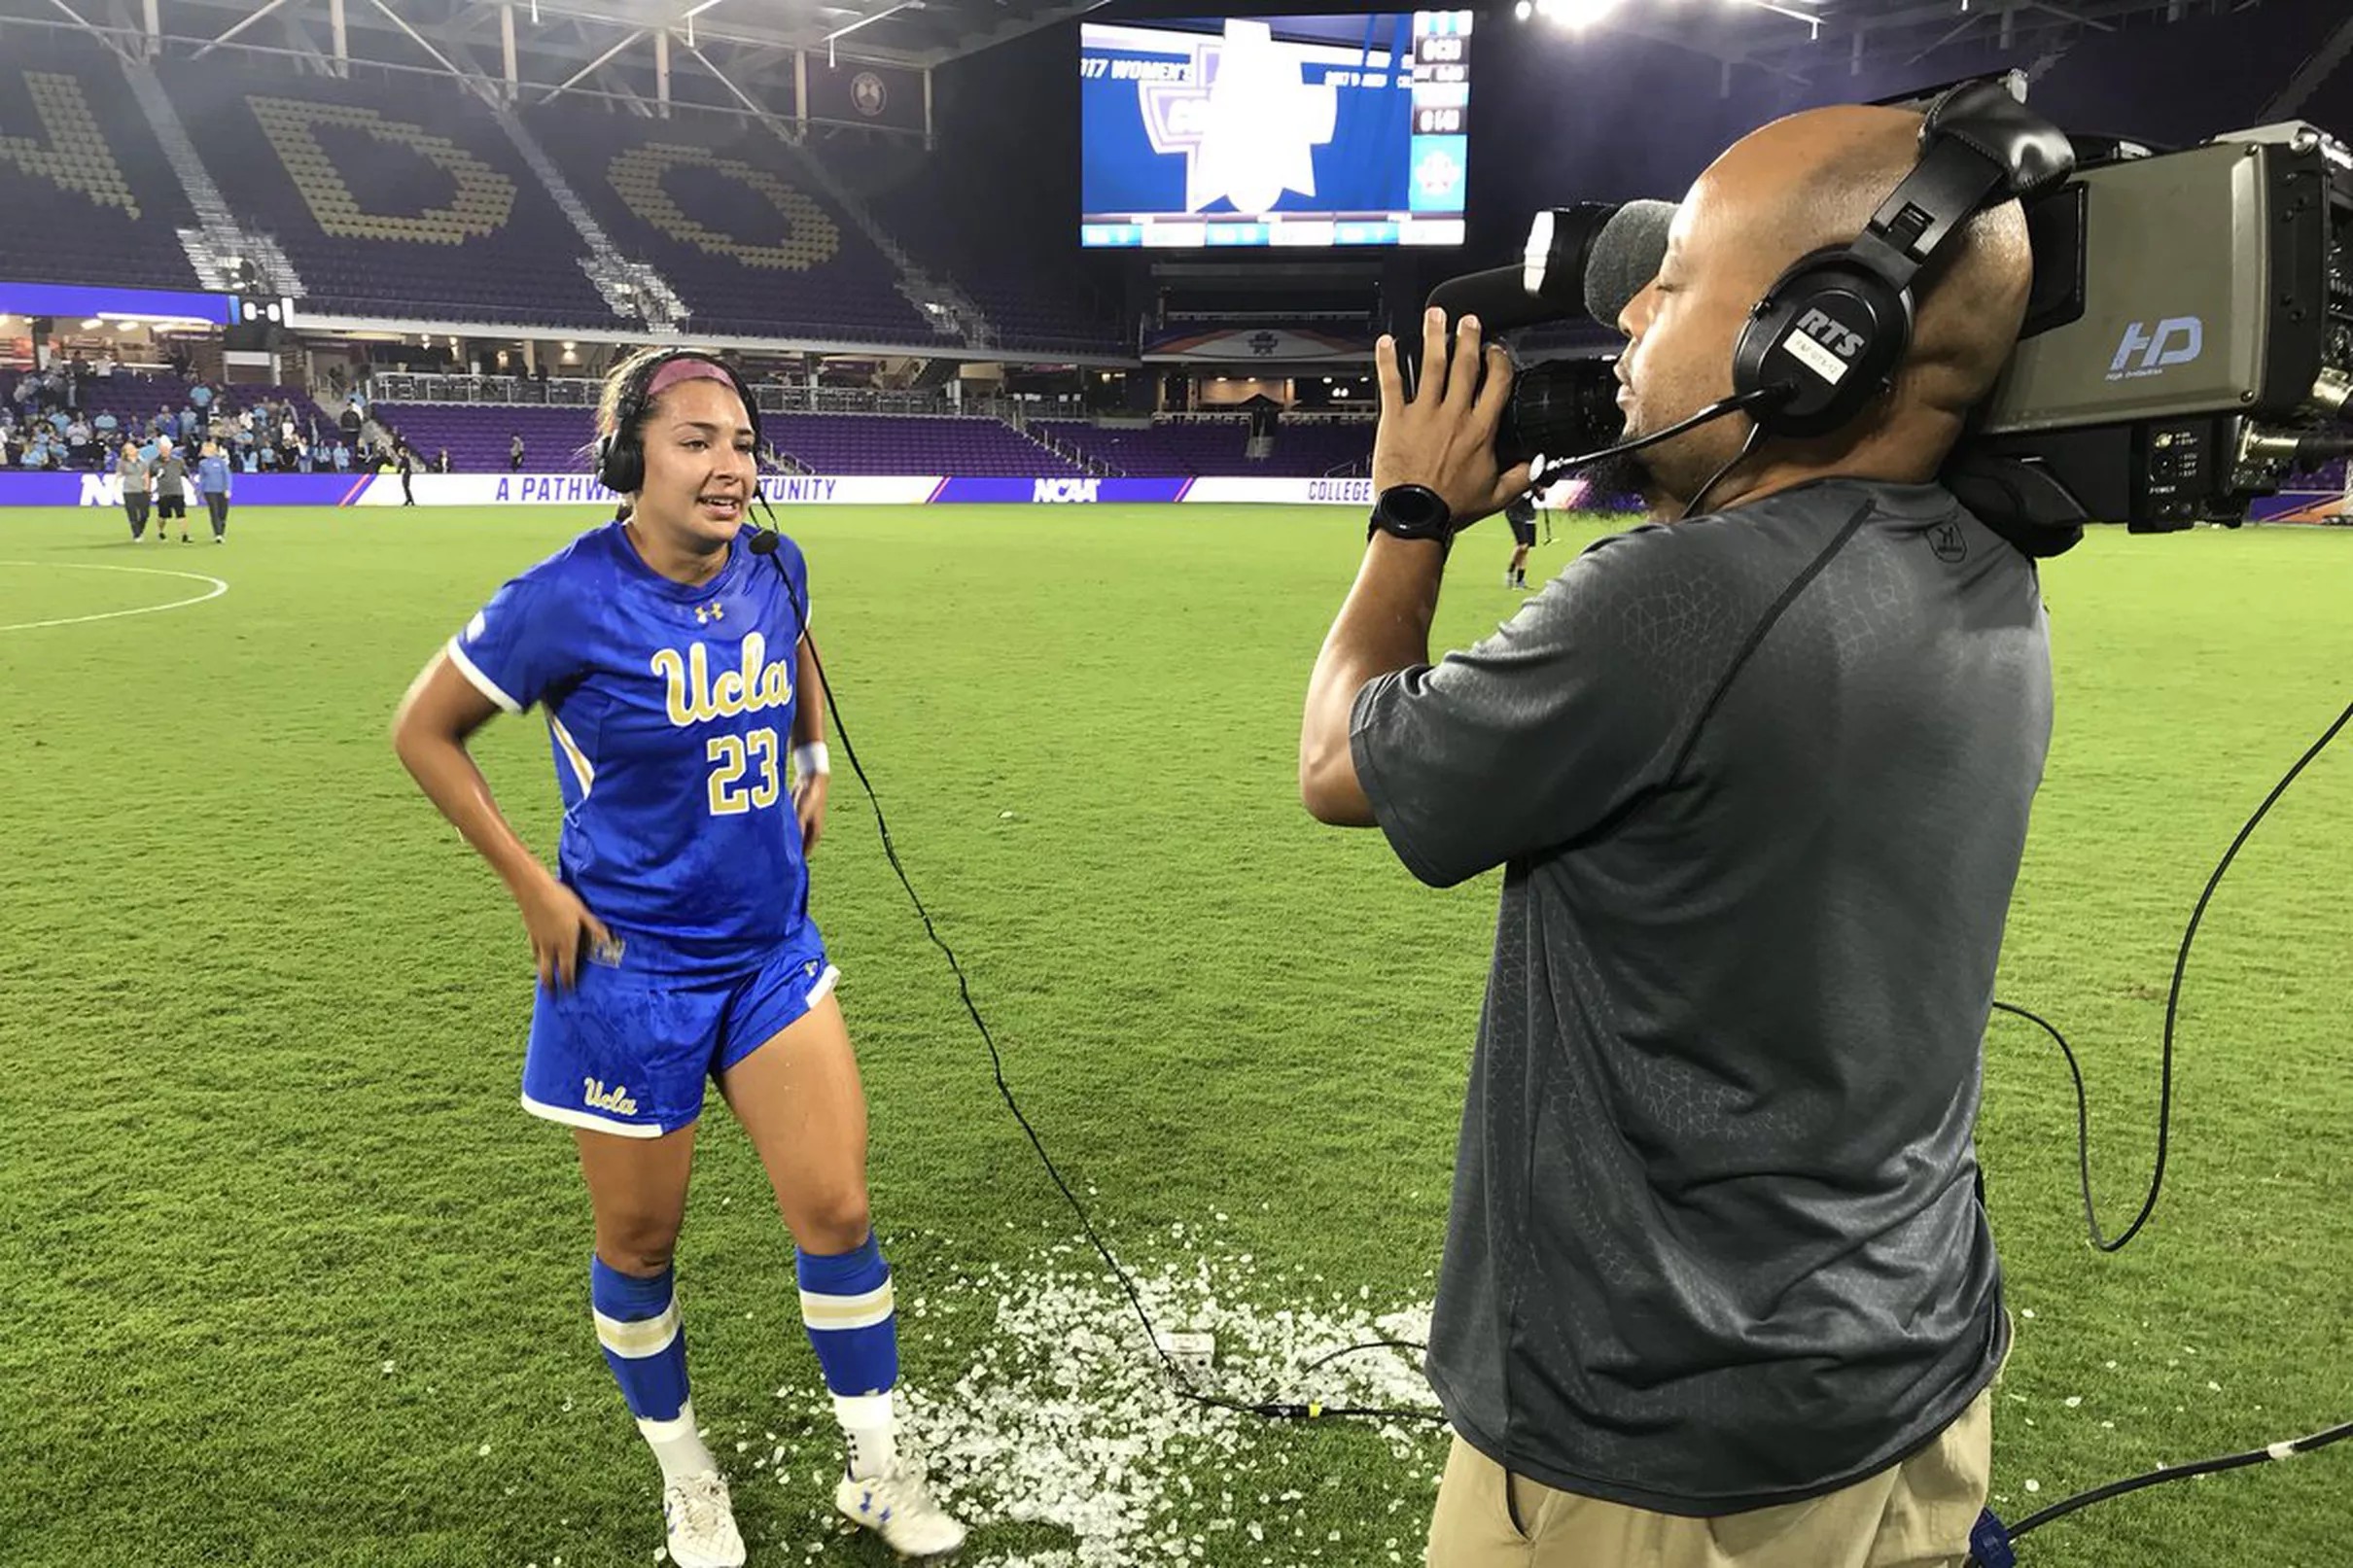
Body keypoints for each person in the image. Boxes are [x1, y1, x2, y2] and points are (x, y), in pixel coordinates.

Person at [1299, 99, 2046, 1568]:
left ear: (1819, 340)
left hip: (1662, 1444)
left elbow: (1340, 758)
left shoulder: (1676, 602)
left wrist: (1408, 516)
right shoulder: (1991, 565)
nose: (1634, 310)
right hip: (1906, 1359)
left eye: (1680, 276)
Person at [388, 349, 966, 1568]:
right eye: (696, 440)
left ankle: (876, 1466)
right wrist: (532, 885)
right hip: (627, 973)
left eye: (743, 443)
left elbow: (796, 649)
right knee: (641, 1245)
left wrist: (812, 760)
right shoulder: (563, 596)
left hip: (767, 951)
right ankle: (688, 1476)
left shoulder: (772, 559)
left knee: (838, 1206)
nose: (729, 467)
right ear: (627, 457)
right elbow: (423, 730)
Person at [152, 438, 190, 540]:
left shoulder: (178, 462)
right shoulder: (154, 462)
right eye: (162, 450)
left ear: (170, 450)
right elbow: (149, 475)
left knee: (181, 514)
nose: (165, 452)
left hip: (177, 491)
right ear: (159, 450)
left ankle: (184, 535)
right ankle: (161, 532)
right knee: (163, 516)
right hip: (164, 493)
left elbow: (186, 473)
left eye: (166, 450)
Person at [195, 439, 232, 543]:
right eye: (204, 450)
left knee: (223, 513)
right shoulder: (202, 463)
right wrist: (200, 491)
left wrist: (227, 489)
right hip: (209, 490)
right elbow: (202, 478)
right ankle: (218, 534)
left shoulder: (221, 462)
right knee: (214, 512)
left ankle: (221, 531)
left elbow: (227, 476)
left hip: (221, 490)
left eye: (207, 449)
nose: (205, 451)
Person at [116, 439, 153, 540]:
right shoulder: (122, 462)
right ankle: (136, 534)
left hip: (141, 490)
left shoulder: (143, 461)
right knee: (132, 514)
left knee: (145, 514)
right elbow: (119, 474)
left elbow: (146, 475)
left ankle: (139, 530)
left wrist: (147, 487)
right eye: (129, 449)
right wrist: (117, 479)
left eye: (133, 448)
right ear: (125, 452)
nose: (133, 450)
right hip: (129, 490)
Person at [1501, 491, 1537, 588]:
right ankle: (1510, 571)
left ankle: (1520, 580)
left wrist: (1541, 491)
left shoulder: (1534, 483)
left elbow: (1541, 498)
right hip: (1514, 514)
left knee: (1526, 549)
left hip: (1529, 515)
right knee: (1523, 546)